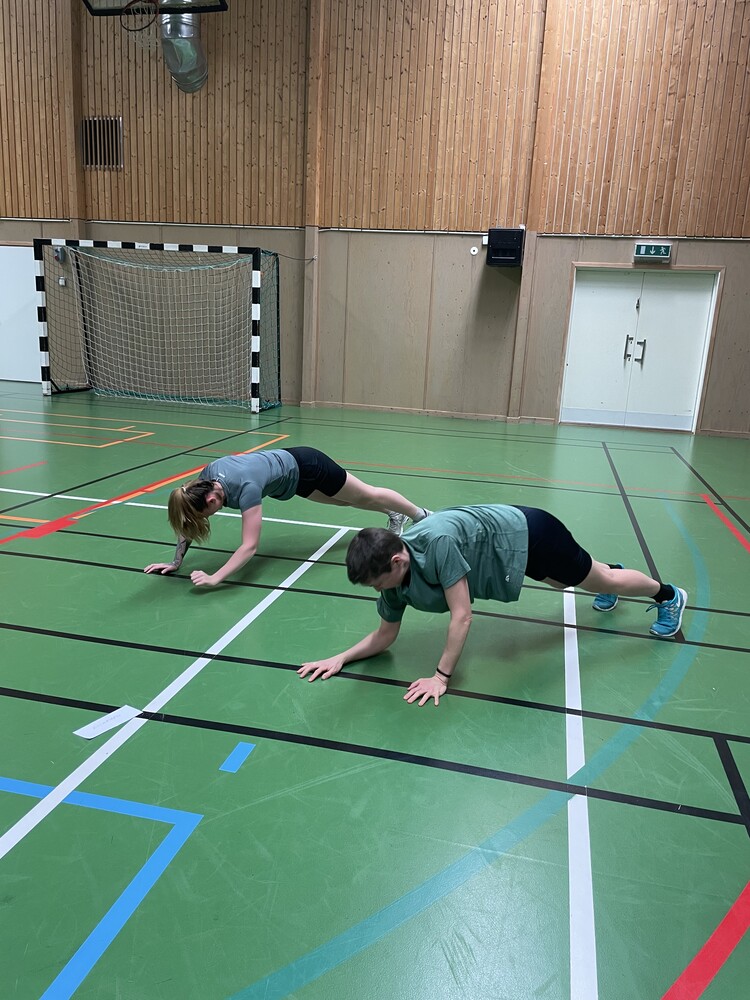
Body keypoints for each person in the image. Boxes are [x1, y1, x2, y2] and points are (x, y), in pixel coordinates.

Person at [297, 504, 688, 707]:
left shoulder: (437, 545)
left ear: (397, 561)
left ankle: (667, 595)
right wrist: (341, 658)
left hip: (532, 534)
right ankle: (604, 574)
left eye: (377, 583)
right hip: (508, 544)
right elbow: (386, 634)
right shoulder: (393, 573)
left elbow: (462, 615)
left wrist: (440, 678)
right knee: (568, 580)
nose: (378, 590)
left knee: (599, 580)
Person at [144, 447, 431, 586]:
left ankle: (422, 515)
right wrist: (176, 561)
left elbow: (249, 546)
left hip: (310, 466)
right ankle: (394, 513)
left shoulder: (246, 488)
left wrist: (215, 577)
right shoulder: (203, 481)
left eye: (207, 514)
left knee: (366, 494)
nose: (207, 518)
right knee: (346, 502)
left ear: (211, 500)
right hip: (294, 481)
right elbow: (188, 520)